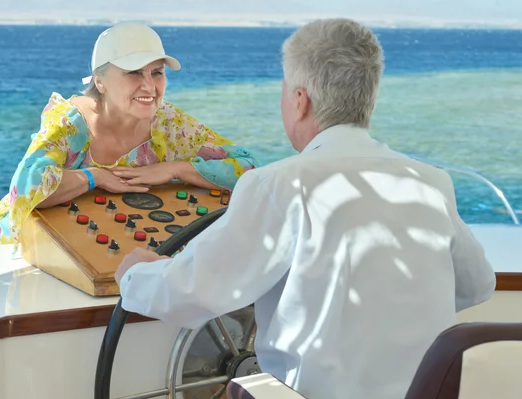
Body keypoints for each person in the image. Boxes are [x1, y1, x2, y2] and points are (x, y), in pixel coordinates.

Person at [113, 18, 496, 399]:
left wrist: (138, 274)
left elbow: (193, 292)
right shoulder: (431, 182)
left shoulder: (278, 185)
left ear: (300, 101)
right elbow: (478, 285)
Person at [0, 22, 259, 247]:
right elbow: (26, 189)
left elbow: (248, 167)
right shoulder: (69, 122)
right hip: (23, 248)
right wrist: (94, 177)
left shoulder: (169, 124)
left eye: (157, 72)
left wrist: (175, 169)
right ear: (99, 81)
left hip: (105, 253)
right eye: (134, 73)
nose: (149, 86)